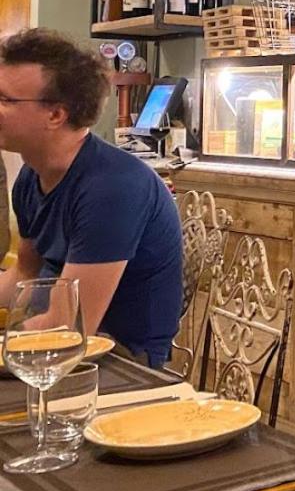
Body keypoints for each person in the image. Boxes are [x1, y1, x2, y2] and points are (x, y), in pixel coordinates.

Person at [0, 29, 182, 367]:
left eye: (6, 100)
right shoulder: (31, 176)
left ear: (56, 115)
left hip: (121, 362)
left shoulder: (112, 188)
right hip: (53, 346)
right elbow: (24, 273)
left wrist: (9, 338)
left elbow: (67, 327)